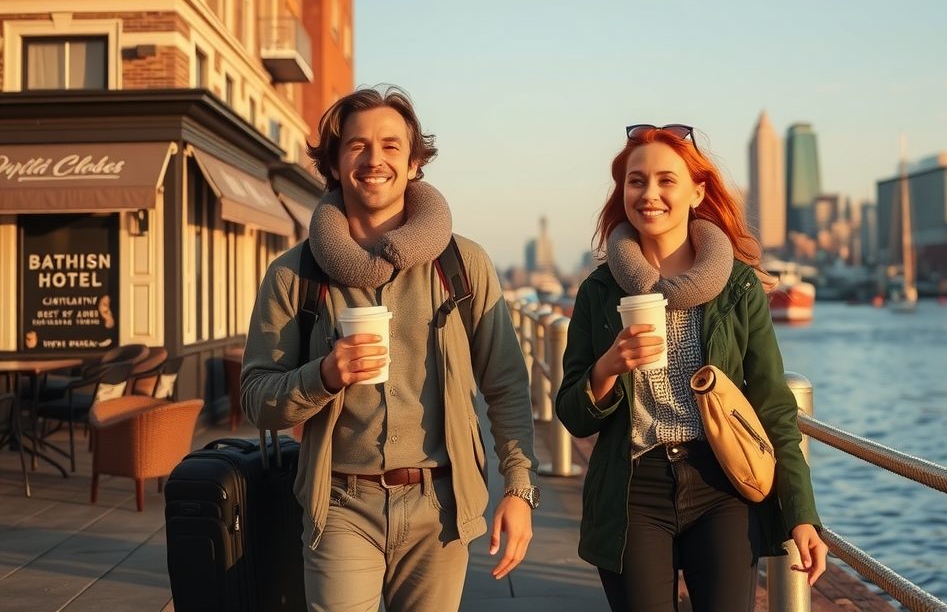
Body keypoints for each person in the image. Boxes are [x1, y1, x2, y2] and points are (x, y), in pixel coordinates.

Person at [241, 87, 539, 612]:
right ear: (334, 163)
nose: (374, 159)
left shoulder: (463, 265)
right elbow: (255, 397)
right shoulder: (294, 273)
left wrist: (518, 487)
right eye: (356, 146)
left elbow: (506, 383)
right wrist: (324, 376)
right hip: (339, 505)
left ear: (414, 163)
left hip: (439, 505)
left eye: (391, 146)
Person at [556, 123, 827, 611]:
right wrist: (608, 367)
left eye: (666, 180)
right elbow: (573, 412)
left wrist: (801, 515)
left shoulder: (737, 287)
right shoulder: (600, 290)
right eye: (636, 181)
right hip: (633, 488)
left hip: (721, 482)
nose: (650, 193)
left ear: (696, 191)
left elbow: (772, 406)